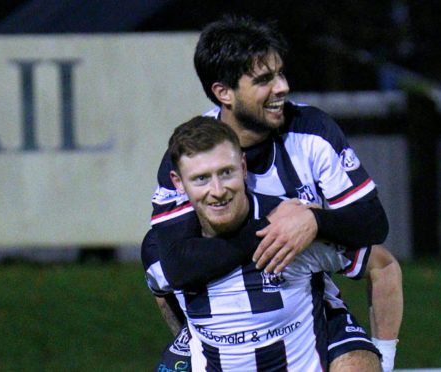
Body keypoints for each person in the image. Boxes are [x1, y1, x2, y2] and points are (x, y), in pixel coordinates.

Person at [143, 15, 403, 372]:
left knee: (356, 364)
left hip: (303, 289)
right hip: (218, 304)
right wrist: (273, 229)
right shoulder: (194, 153)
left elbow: (372, 224)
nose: (282, 87)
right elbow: (174, 264)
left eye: (280, 74)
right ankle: (193, 340)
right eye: (264, 80)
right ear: (224, 93)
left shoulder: (313, 131)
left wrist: (312, 221)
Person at [147, 116, 382, 371]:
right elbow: (162, 293)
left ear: (244, 168)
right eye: (201, 179)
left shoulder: (293, 225)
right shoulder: (164, 253)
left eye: (226, 172)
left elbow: (382, 264)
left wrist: (384, 351)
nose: (217, 190)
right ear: (178, 183)